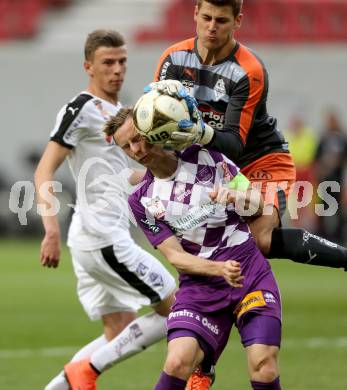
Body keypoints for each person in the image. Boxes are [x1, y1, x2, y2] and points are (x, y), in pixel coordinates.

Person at [151, 0, 347, 271]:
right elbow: (158, 122)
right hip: (210, 164)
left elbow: (233, 144)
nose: (211, 27)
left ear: (238, 21)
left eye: (221, 21)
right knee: (204, 245)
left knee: (262, 240)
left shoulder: (248, 70)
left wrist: (198, 130)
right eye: (206, 17)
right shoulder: (172, 59)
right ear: (195, 13)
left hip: (259, 160)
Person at [34, 29, 177, 390]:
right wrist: (50, 228)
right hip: (102, 238)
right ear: (89, 67)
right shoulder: (81, 108)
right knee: (175, 313)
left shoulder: (120, 113)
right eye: (108, 62)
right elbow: (44, 170)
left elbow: (121, 174)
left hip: (96, 237)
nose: (117, 70)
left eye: (122, 61)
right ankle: (87, 374)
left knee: (119, 329)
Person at [104, 107, 283, 390]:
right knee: (177, 361)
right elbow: (176, 256)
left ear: (153, 130)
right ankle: (205, 363)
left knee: (264, 366)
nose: (137, 149)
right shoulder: (142, 200)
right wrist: (218, 269)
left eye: (138, 138)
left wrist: (234, 196)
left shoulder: (205, 156)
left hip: (250, 274)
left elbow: (258, 203)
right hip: (200, 288)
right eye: (127, 146)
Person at [314, 109, 347, 244]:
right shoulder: (324, 137)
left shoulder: (341, 138)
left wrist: (333, 164)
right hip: (324, 180)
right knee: (322, 207)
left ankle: (338, 235)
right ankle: (322, 233)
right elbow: (316, 157)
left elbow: (343, 158)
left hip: (337, 180)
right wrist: (321, 169)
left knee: (337, 208)